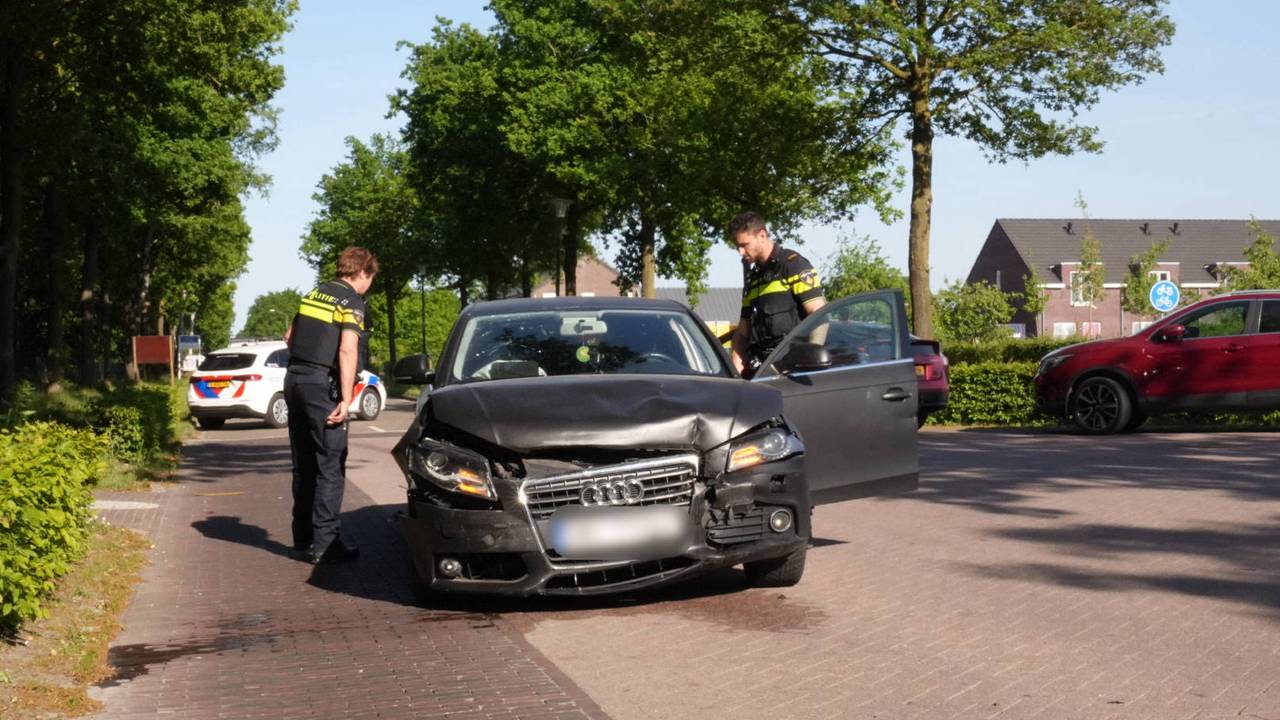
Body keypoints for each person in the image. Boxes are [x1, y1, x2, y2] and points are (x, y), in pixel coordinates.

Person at [283, 246, 378, 564]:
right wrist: (348, 399)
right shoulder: (351, 301)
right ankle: (325, 544)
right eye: (370, 279)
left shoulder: (314, 294)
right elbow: (347, 350)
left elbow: (288, 336)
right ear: (363, 272)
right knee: (330, 464)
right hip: (320, 386)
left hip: (294, 380)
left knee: (304, 464)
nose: (369, 286)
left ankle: (303, 538)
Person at [728, 211, 826, 377]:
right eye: (738, 246)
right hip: (762, 370)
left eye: (744, 245)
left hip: (792, 371)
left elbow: (820, 316)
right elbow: (743, 331)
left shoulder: (793, 265)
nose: (741, 252)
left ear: (762, 235)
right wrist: (734, 370)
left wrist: (809, 362)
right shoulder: (754, 278)